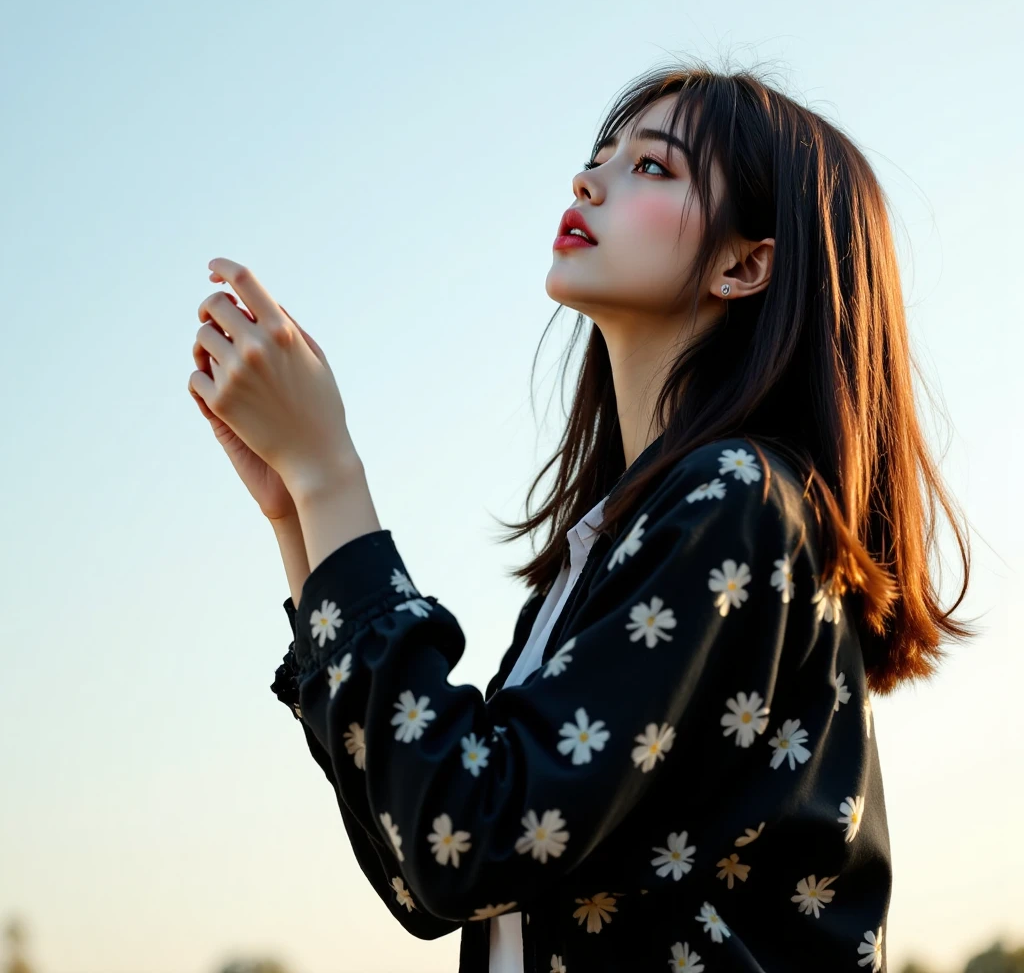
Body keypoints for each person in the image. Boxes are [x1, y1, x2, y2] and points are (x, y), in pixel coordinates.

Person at [189, 63, 971, 973]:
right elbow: (426, 868)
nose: (587, 180)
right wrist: (299, 520)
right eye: (601, 156)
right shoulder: (623, 538)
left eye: (653, 167)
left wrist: (332, 476)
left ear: (744, 262)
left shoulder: (738, 498)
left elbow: (466, 834)